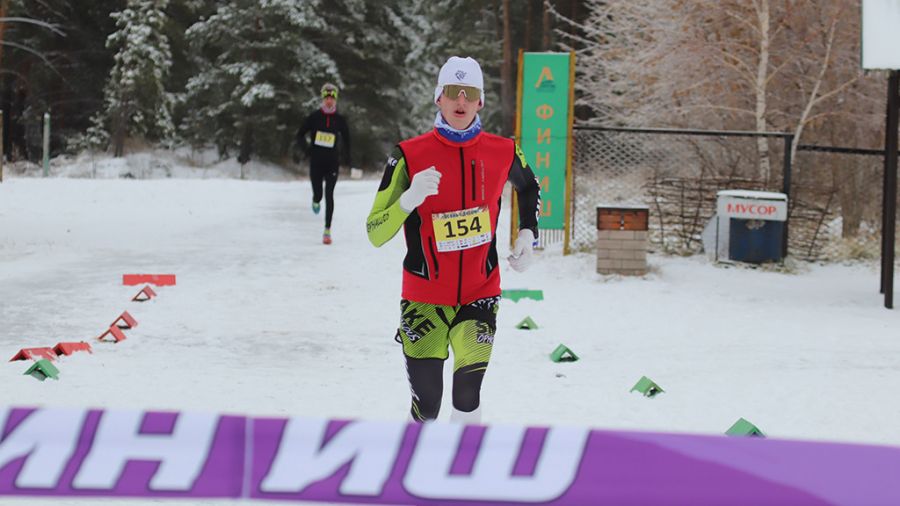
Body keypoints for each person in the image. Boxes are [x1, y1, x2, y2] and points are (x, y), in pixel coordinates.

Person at [366, 56, 541, 424]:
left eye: (470, 93)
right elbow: (375, 231)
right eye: (453, 91)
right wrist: (408, 200)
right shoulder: (408, 155)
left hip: (480, 292)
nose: (461, 101)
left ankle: (461, 458)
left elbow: (529, 186)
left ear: (480, 102)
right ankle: (418, 453)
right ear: (438, 98)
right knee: (428, 405)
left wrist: (528, 231)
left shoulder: (503, 150)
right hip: (424, 299)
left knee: (467, 394)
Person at [295, 83, 351, 245]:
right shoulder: (314, 117)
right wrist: (307, 150)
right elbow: (300, 135)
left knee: (329, 195)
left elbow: (347, 140)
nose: (329, 101)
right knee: (319, 194)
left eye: (332, 98)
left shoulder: (340, 120)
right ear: (322, 99)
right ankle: (315, 199)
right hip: (316, 163)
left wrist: (346, 158)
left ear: (336, 100)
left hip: (332, 163)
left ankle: (327, 230)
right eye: (326, 97)